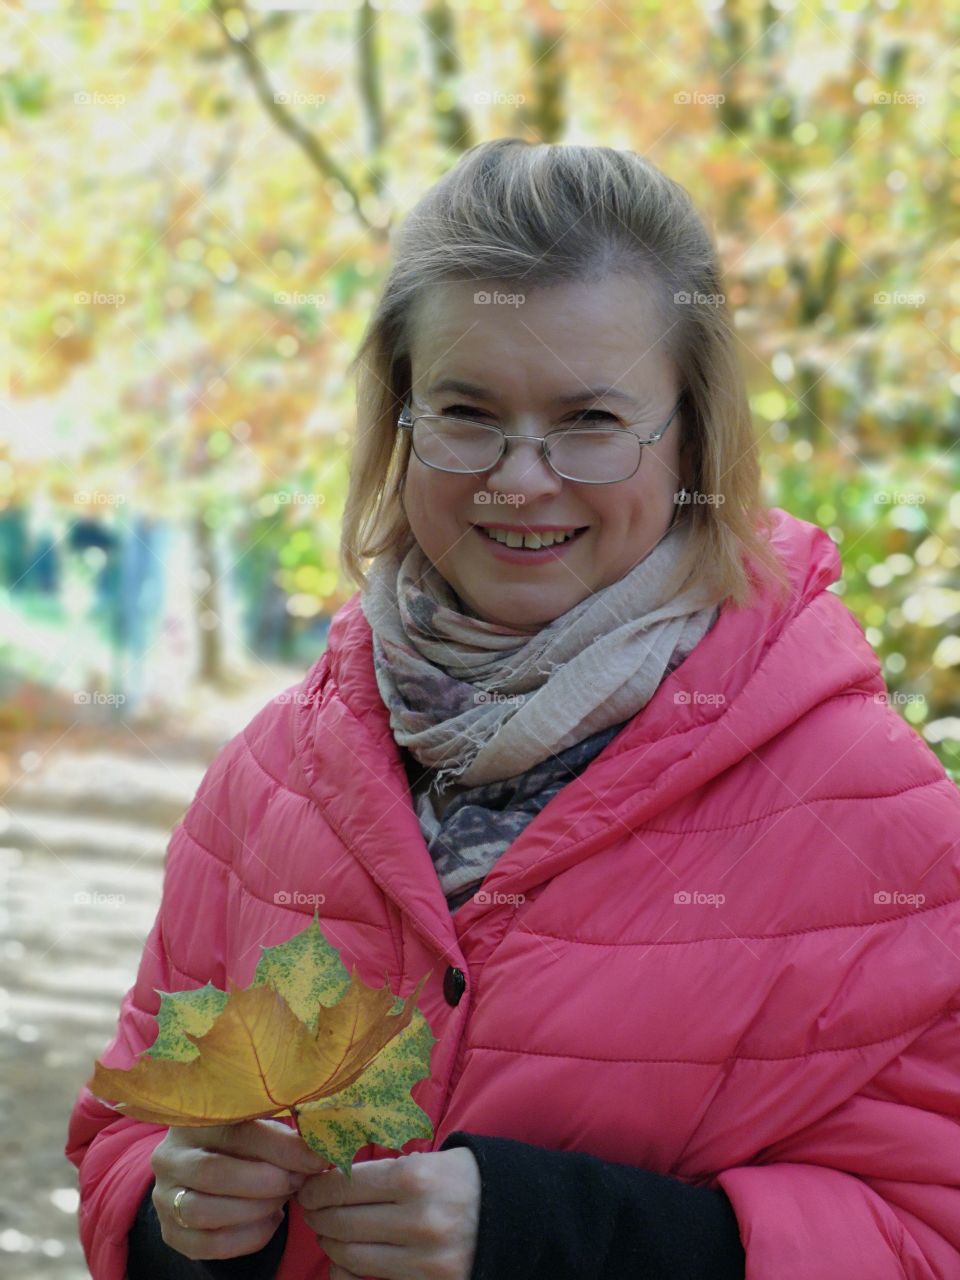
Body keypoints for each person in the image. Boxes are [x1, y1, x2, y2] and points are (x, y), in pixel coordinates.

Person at [65, 138, 960, 1280]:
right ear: (399, 418)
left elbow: (930, 1233)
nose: (520, 478)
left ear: (692, 432)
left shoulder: (878, 817)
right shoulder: (273, 775)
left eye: (590, 419)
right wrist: (176, 1214)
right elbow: (124, 1131)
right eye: (466, 411)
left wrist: (555, 1232)